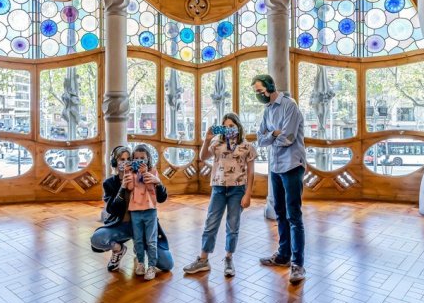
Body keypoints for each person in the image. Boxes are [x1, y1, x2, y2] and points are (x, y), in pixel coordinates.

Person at [183, 112, 256, 277]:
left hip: (238, 190)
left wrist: (248, 194)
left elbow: (251, 172)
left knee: (233, 225)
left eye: (232, 125)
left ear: (238, 126)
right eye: (225, 126)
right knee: (211, 223)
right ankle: (203, 259)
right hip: (218, 188)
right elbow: (202, 157)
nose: (229, 128)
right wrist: (207, 138)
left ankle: (229, 258)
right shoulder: (217, 142)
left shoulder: (247, 146)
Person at [251, 73, 307, 284]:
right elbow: (260, 138)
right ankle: (283, 255)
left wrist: (273, 136)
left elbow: (288, 138)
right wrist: (273, 135)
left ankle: (298, 264)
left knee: (294, 215)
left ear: (270, 87)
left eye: (260, 91)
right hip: (275, 166)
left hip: (292, 165)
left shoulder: (289, 106)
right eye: (256, 92)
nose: (258, 95)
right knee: (280, 212)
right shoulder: (267, 111)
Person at [90, 145, 174, 274]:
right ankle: (119, 250)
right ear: (115, 162)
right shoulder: (110, 183)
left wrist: (158, 183)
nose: (125, 162)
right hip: (122, 226)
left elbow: (161, 199)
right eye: (121, 159)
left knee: (167, 264)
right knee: (97, 239)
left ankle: (139, 250)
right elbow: (113, 210)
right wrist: (122, 187)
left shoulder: (143, 175)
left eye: (129, 159)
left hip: (144, 225)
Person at [123, 146, 162, 280]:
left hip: (150, 210)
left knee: (151, 240)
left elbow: (152, 188)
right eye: (136, 158)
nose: (139, 161)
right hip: (135, 210)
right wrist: (127, 172)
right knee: (138, 239)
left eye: (142, 158)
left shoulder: (153, 171)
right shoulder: (132, 174)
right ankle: (140, 263)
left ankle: (152, 266)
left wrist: (145, 173)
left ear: (148, 159)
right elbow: (129, 187)